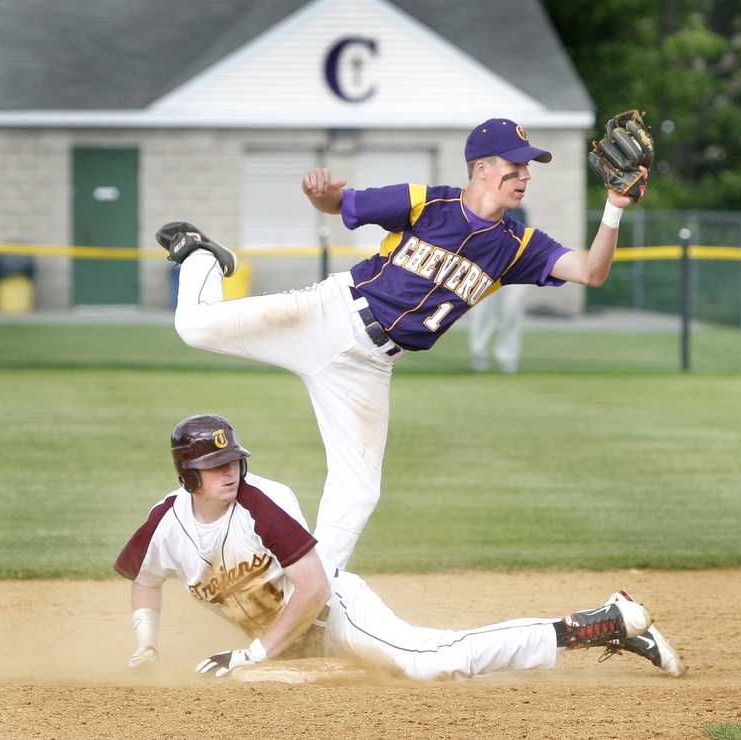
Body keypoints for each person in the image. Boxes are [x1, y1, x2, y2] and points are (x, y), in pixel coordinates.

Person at [157, 118, 647, 570]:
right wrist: (319, 195)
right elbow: (341, 205)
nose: (524, 176)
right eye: (515, 166)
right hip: (330, 315)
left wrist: (613, 208)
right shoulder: (426, 202)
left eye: (527, 168)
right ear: (482, 168)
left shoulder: (519, 246)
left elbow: (590, 272)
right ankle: (202, 254)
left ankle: (307, 593)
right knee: (194, 327)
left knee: (359, 491)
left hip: (368, 367)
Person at [114, 414, 686, 680]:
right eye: (214, 466)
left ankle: (599, 623)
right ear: (188, 475)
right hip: (293, 644)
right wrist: (147, 645)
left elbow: (313, 588)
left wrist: (253, 654)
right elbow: (146, 575)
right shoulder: (167, 522)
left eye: (233, 460)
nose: (230, 472)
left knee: (428, 661)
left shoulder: (265, 501)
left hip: (335, 614)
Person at [468, 205, 530, 372]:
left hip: (514, 270)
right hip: (485, 269)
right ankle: (479, 357)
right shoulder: (478, 208)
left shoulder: (519, 210)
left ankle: (507, 358)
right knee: (482, 313)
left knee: (512, 312)